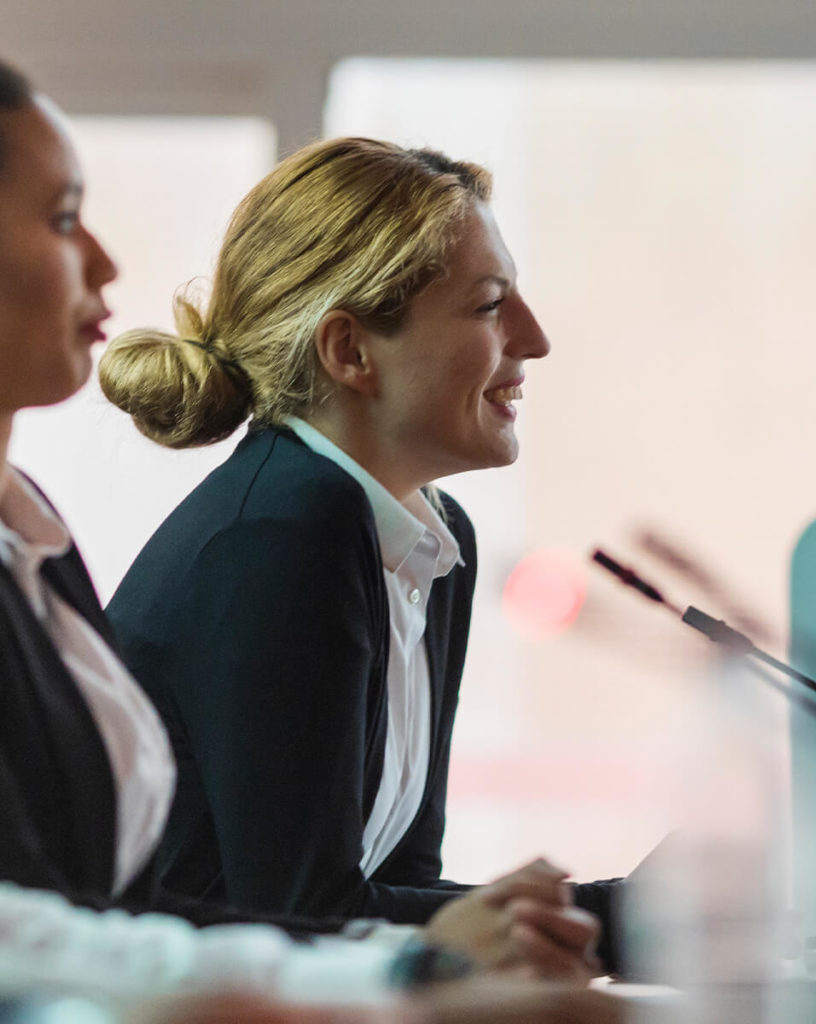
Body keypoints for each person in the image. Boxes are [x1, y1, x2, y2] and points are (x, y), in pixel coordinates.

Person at [0, 56, 622, 1020]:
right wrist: (610, 922)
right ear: (348, 351)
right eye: (492, 305)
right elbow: (294, 906)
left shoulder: (428, 541)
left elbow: (397, 881)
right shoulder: (286, 530)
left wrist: (575, 923)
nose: (534, 340)